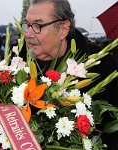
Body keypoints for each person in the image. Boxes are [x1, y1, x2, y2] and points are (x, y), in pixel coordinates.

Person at [22, 0, 118, 149]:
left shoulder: (104, 68)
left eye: (37, 26)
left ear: (63, 29)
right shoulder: (19, 64)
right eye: (27, 25)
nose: (27, 33)